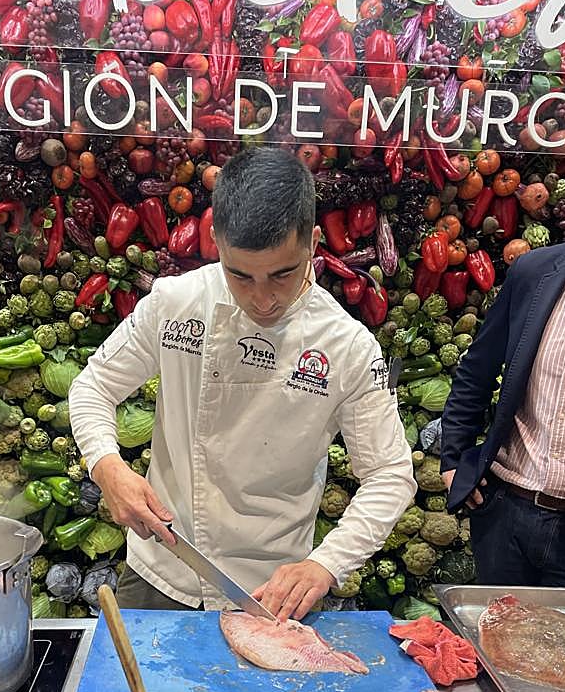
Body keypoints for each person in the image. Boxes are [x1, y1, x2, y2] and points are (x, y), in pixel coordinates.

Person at [69, 147, 415, 621]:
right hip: (160, 569)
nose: (262, 298)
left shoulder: (348, 346)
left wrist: (325, 565)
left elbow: (390, 474)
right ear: (215, 241)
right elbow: (93, 387)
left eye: (282, 274)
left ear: (314, 242)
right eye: (240, 275)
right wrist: (107, 466)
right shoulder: (176, 302)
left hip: (270, 589)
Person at [440, 166, 565, 594]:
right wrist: (455, 457)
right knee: (493, 651)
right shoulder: (536, 271)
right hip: (504, 516)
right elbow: (477, 369)